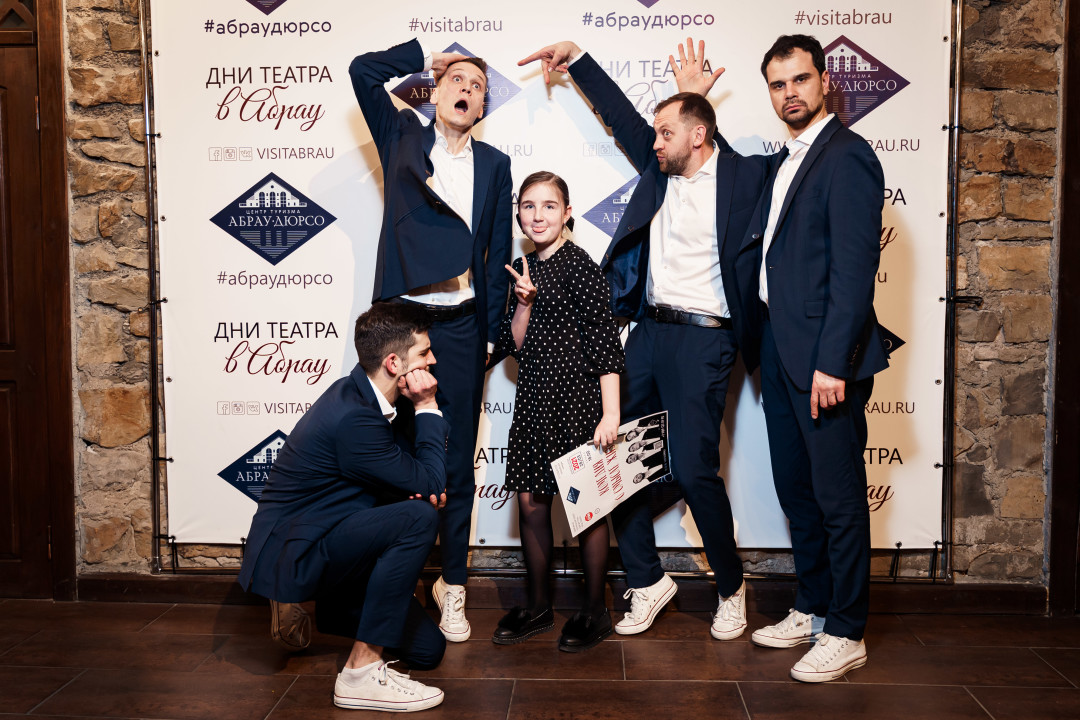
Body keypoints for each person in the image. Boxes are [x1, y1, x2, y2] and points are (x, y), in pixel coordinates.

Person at [518, 41, 767, 640]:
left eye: (666, 133)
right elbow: (624, 119)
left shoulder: (745, 177)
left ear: (699, 136)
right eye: (655, 134)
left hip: (707, 338)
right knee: (615, 462)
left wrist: (695, 98)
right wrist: (578, 60)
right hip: (649, 332)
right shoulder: (659, 171)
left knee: (694, 468)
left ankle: (731, 586)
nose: (654, 143)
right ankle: (647, 579)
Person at [676, 34, 889, 681]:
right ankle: (816, 606)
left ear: (824, 80)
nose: (789, 93)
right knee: (798, 492)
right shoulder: (782, 161)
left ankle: (847, 630)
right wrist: (694, 101)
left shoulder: (848, 157)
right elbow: (720, 165)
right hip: (777, 349)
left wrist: (834, 362)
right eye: (777, 84)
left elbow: (854, 274)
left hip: (825, 361)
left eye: (799, 79)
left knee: (839, 498)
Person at [349, 39, 514, 642]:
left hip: (464, 326)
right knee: (394, 453)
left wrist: (492, 334)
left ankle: (454, 585)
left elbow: (496, 253)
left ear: (483, 106)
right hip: (403, 321)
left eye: (477, 86)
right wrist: (422, 58)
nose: (467, 90)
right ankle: (392, 582)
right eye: (457, 81)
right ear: (436, 91)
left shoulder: (495, 164)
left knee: (457, 458)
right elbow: (363, 70)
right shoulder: (400, 136)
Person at [237, 302, 451, 711]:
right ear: (394, 363)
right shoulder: (355, 418)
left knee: (428, 650)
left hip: (336, 532)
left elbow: (420, 481)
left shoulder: (363, 396)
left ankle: (334, 611)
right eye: (424, 352)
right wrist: (426, 406)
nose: (433, 360)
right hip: (296, 552)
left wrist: (420, 485)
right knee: (418, 517)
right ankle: (360, 673)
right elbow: (430, 484)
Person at [489, 171, 625, 652]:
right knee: (531, 505)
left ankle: (595, 611)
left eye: (549, 206)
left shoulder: (581, 266)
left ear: (567, 213)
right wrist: (524, 303)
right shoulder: (521, 268)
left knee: (586, 511)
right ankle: (538, 606)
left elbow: (606, 346)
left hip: (578, 404)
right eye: (528, 206)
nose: (538, 215)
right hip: (534, 401)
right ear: (519, 215)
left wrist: (611, 414)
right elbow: (514, 344)